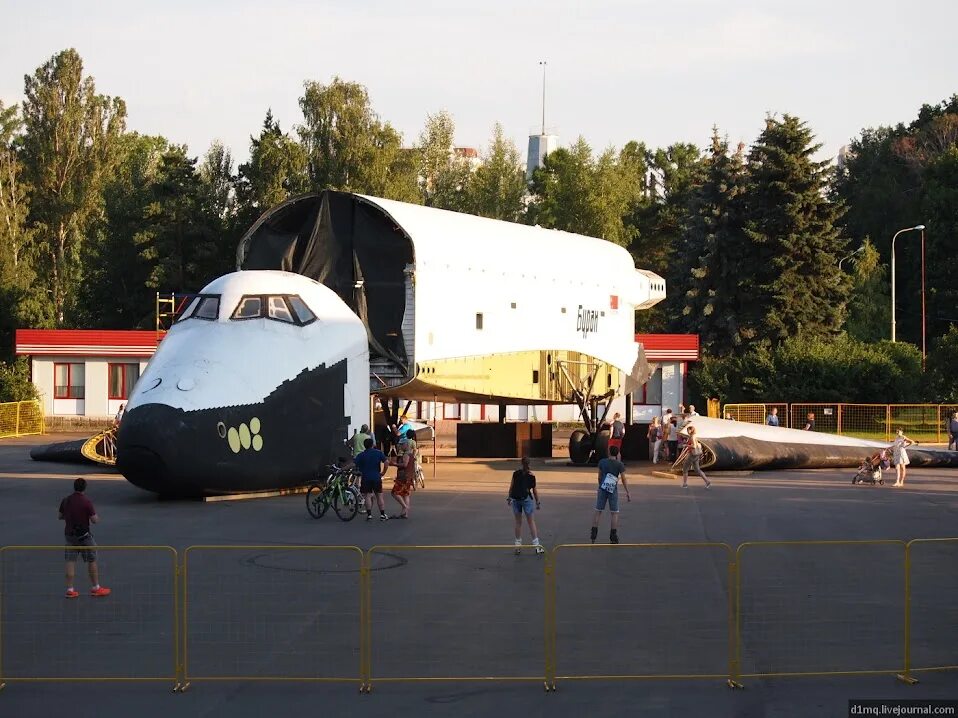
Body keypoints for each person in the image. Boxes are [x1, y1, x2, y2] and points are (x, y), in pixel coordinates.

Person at [59, 478, 110, 598]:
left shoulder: (66, 500)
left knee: (70, 561)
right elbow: (94, 520)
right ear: (84, 488)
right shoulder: (86, 502)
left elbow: (60, 516)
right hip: (84, 536)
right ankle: (95, 587)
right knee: (91, 559)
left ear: (74, 487)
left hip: (70, 536)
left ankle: (70, 589)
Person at [590, 445, 631, 544]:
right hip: (613, 490)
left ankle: (593, 533)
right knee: (614, 513)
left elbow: (599, 476)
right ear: (617, 454)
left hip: (602, 489)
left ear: (608, 452)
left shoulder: (602, 462)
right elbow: (624, 478)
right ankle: (613, 535)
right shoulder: (619, 464)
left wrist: (600, 486)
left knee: (598, 511)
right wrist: (627, 491)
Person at [507, 457, 543, 555]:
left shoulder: (516, 474)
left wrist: (509, 498)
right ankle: (536, 546)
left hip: (516, 500)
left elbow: (511, 487)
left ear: (521, 463)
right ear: (529, 464)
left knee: (518, 523)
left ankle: (517, 546)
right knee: (531, 522)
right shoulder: (531, 476)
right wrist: (537, 502)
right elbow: (534, 491)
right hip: (526, 499)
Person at [354, 438, 389, 521]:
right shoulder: (378, 453)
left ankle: (369, 515)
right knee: (379, 495)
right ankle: (382, 514)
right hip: (376, 477)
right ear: (372, 444)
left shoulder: (361, 455)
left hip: (366, 477)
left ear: (364, 446)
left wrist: (343, 469)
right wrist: (383, 472)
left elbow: (353, 464)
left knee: (367, 496)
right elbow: (386, 462)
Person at [678, 425, 711, 490]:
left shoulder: (692, 437)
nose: (687, 431)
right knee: (697, 469)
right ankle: (707, 481)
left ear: (691, 430)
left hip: (692, 454)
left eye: (688, 430)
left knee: (685, 468)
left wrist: (686, 445)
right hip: (696, 455)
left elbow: (694, 446)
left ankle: (685, 484)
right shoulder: (694, 436)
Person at [390, 436, 414, 518]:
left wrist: (394, 464)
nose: (399, 446)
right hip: (409, 476)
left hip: (403, 477)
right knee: (405, 494)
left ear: (405, 445)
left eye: (401, 445)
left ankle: (405, 506)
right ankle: (405, 513)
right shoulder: (411, 454)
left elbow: (405, 464)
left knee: (394, 493)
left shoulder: (406, 454)